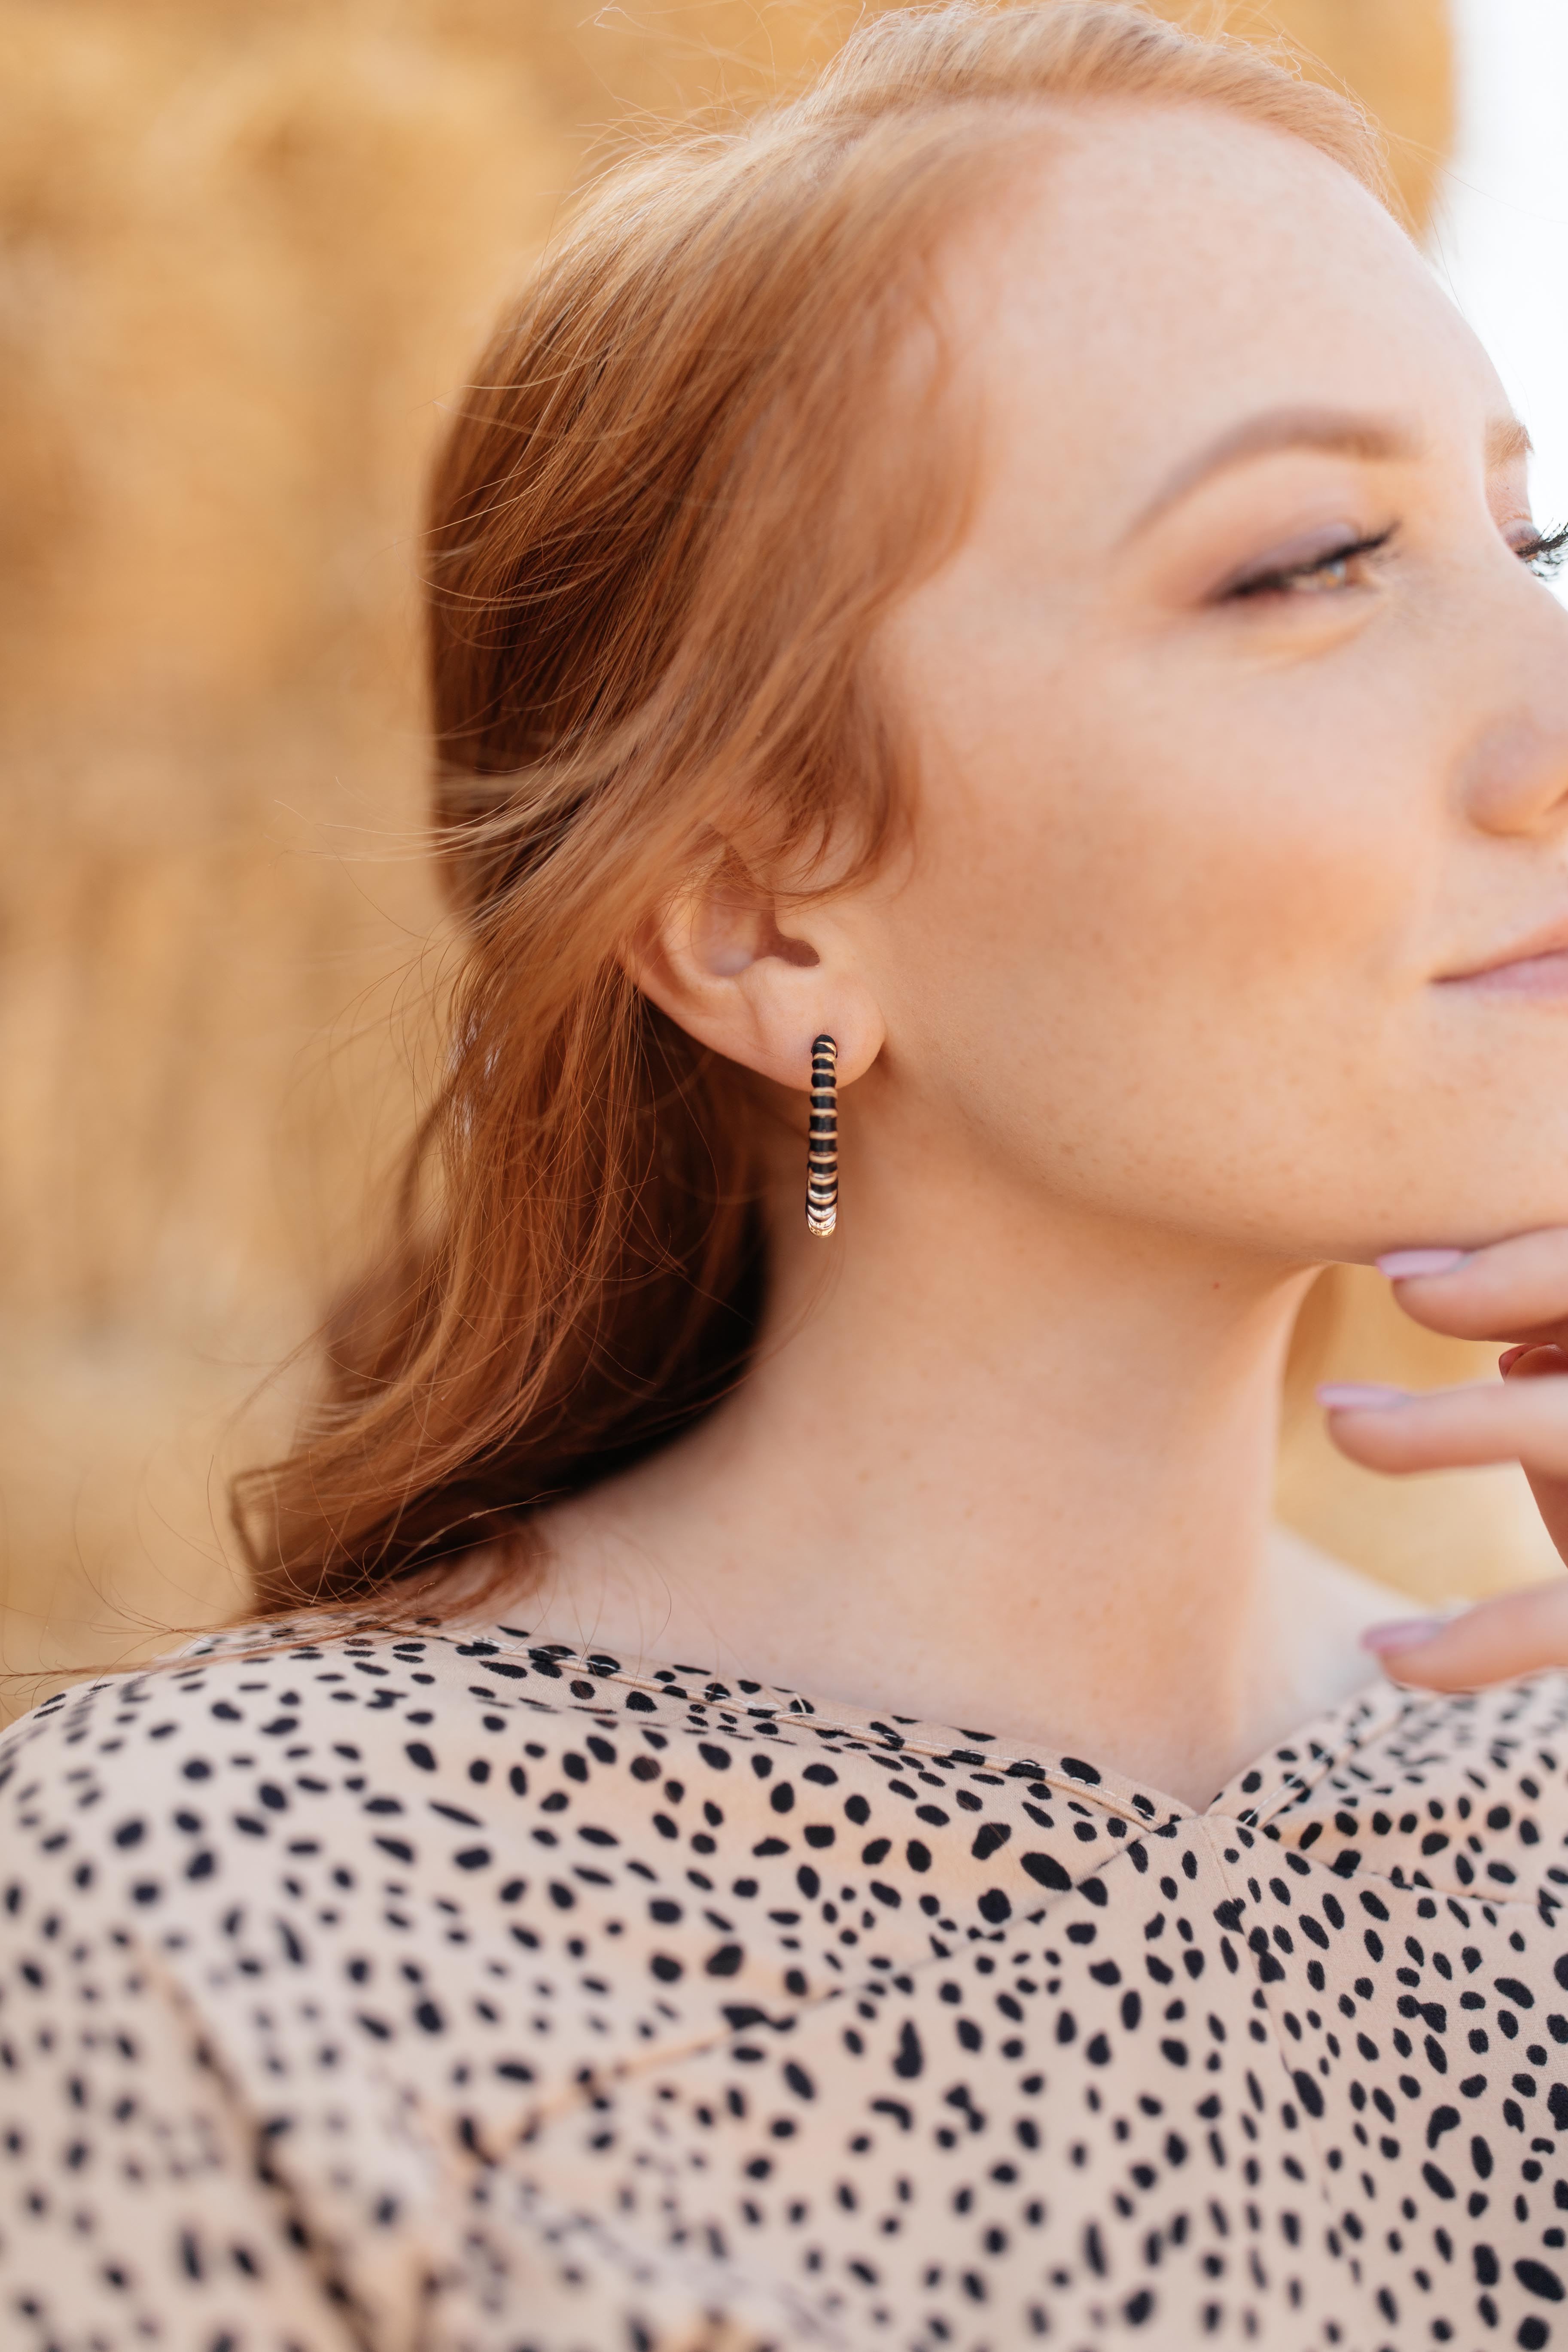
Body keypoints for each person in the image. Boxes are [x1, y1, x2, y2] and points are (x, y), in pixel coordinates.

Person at [7, 4, 1568, 2343]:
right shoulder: (230, 1918)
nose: (1547, 707)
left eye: (1518, 529)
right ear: (756, 917)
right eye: (1309, 563)